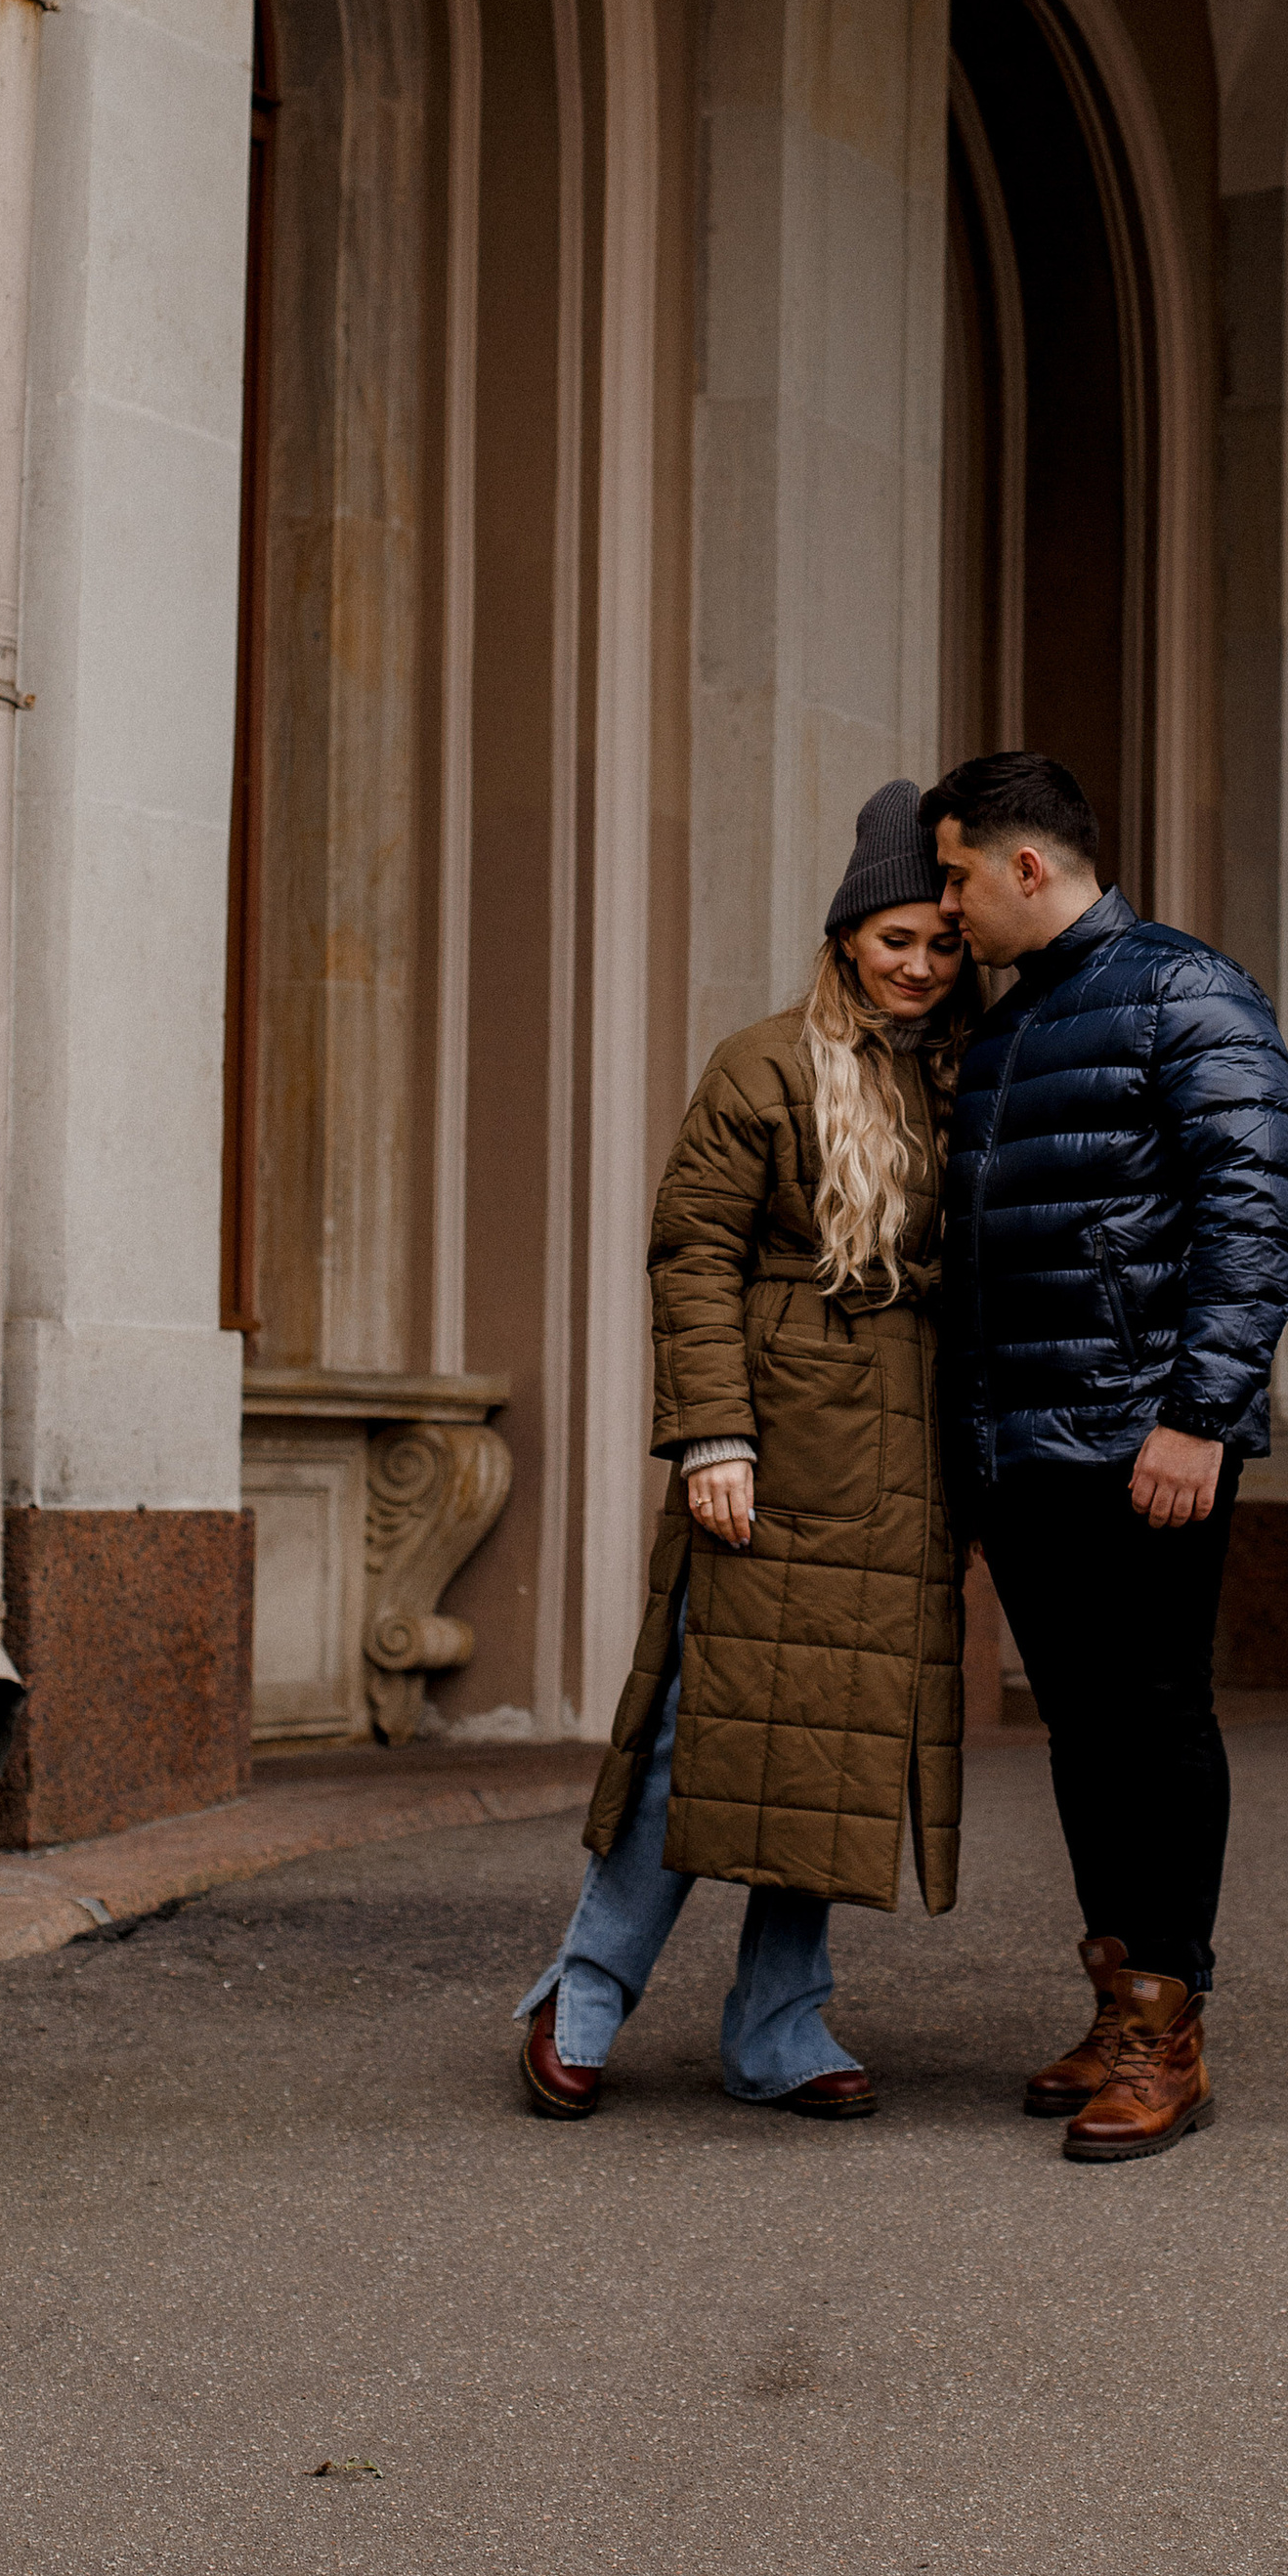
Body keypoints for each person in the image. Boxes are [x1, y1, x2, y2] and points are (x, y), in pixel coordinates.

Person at [517, 779, 973, 2123]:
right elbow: (693, 1248)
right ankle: (582, 1991)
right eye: (898, 941)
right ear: (846, 938)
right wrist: (713, 1431)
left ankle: (780, 2027)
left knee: (832, 1747)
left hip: (906, 1453)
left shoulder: (963, 1072)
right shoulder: (764, 1062)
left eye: (943, 946)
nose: (922, 967)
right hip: (774, 1438)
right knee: (699, 1730)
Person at [923, 751, 1288, 2163]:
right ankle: (1117, 1994)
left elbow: (1248, 1213)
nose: (945, 910)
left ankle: (1171, 2025)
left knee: (1155, 1715)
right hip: (1025, 1446)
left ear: (1031, 868)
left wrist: (1201, 1412)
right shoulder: (1014, 1027)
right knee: (1084, 1730)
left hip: (1147, 1439)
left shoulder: (1185, 989)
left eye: (958, 877)